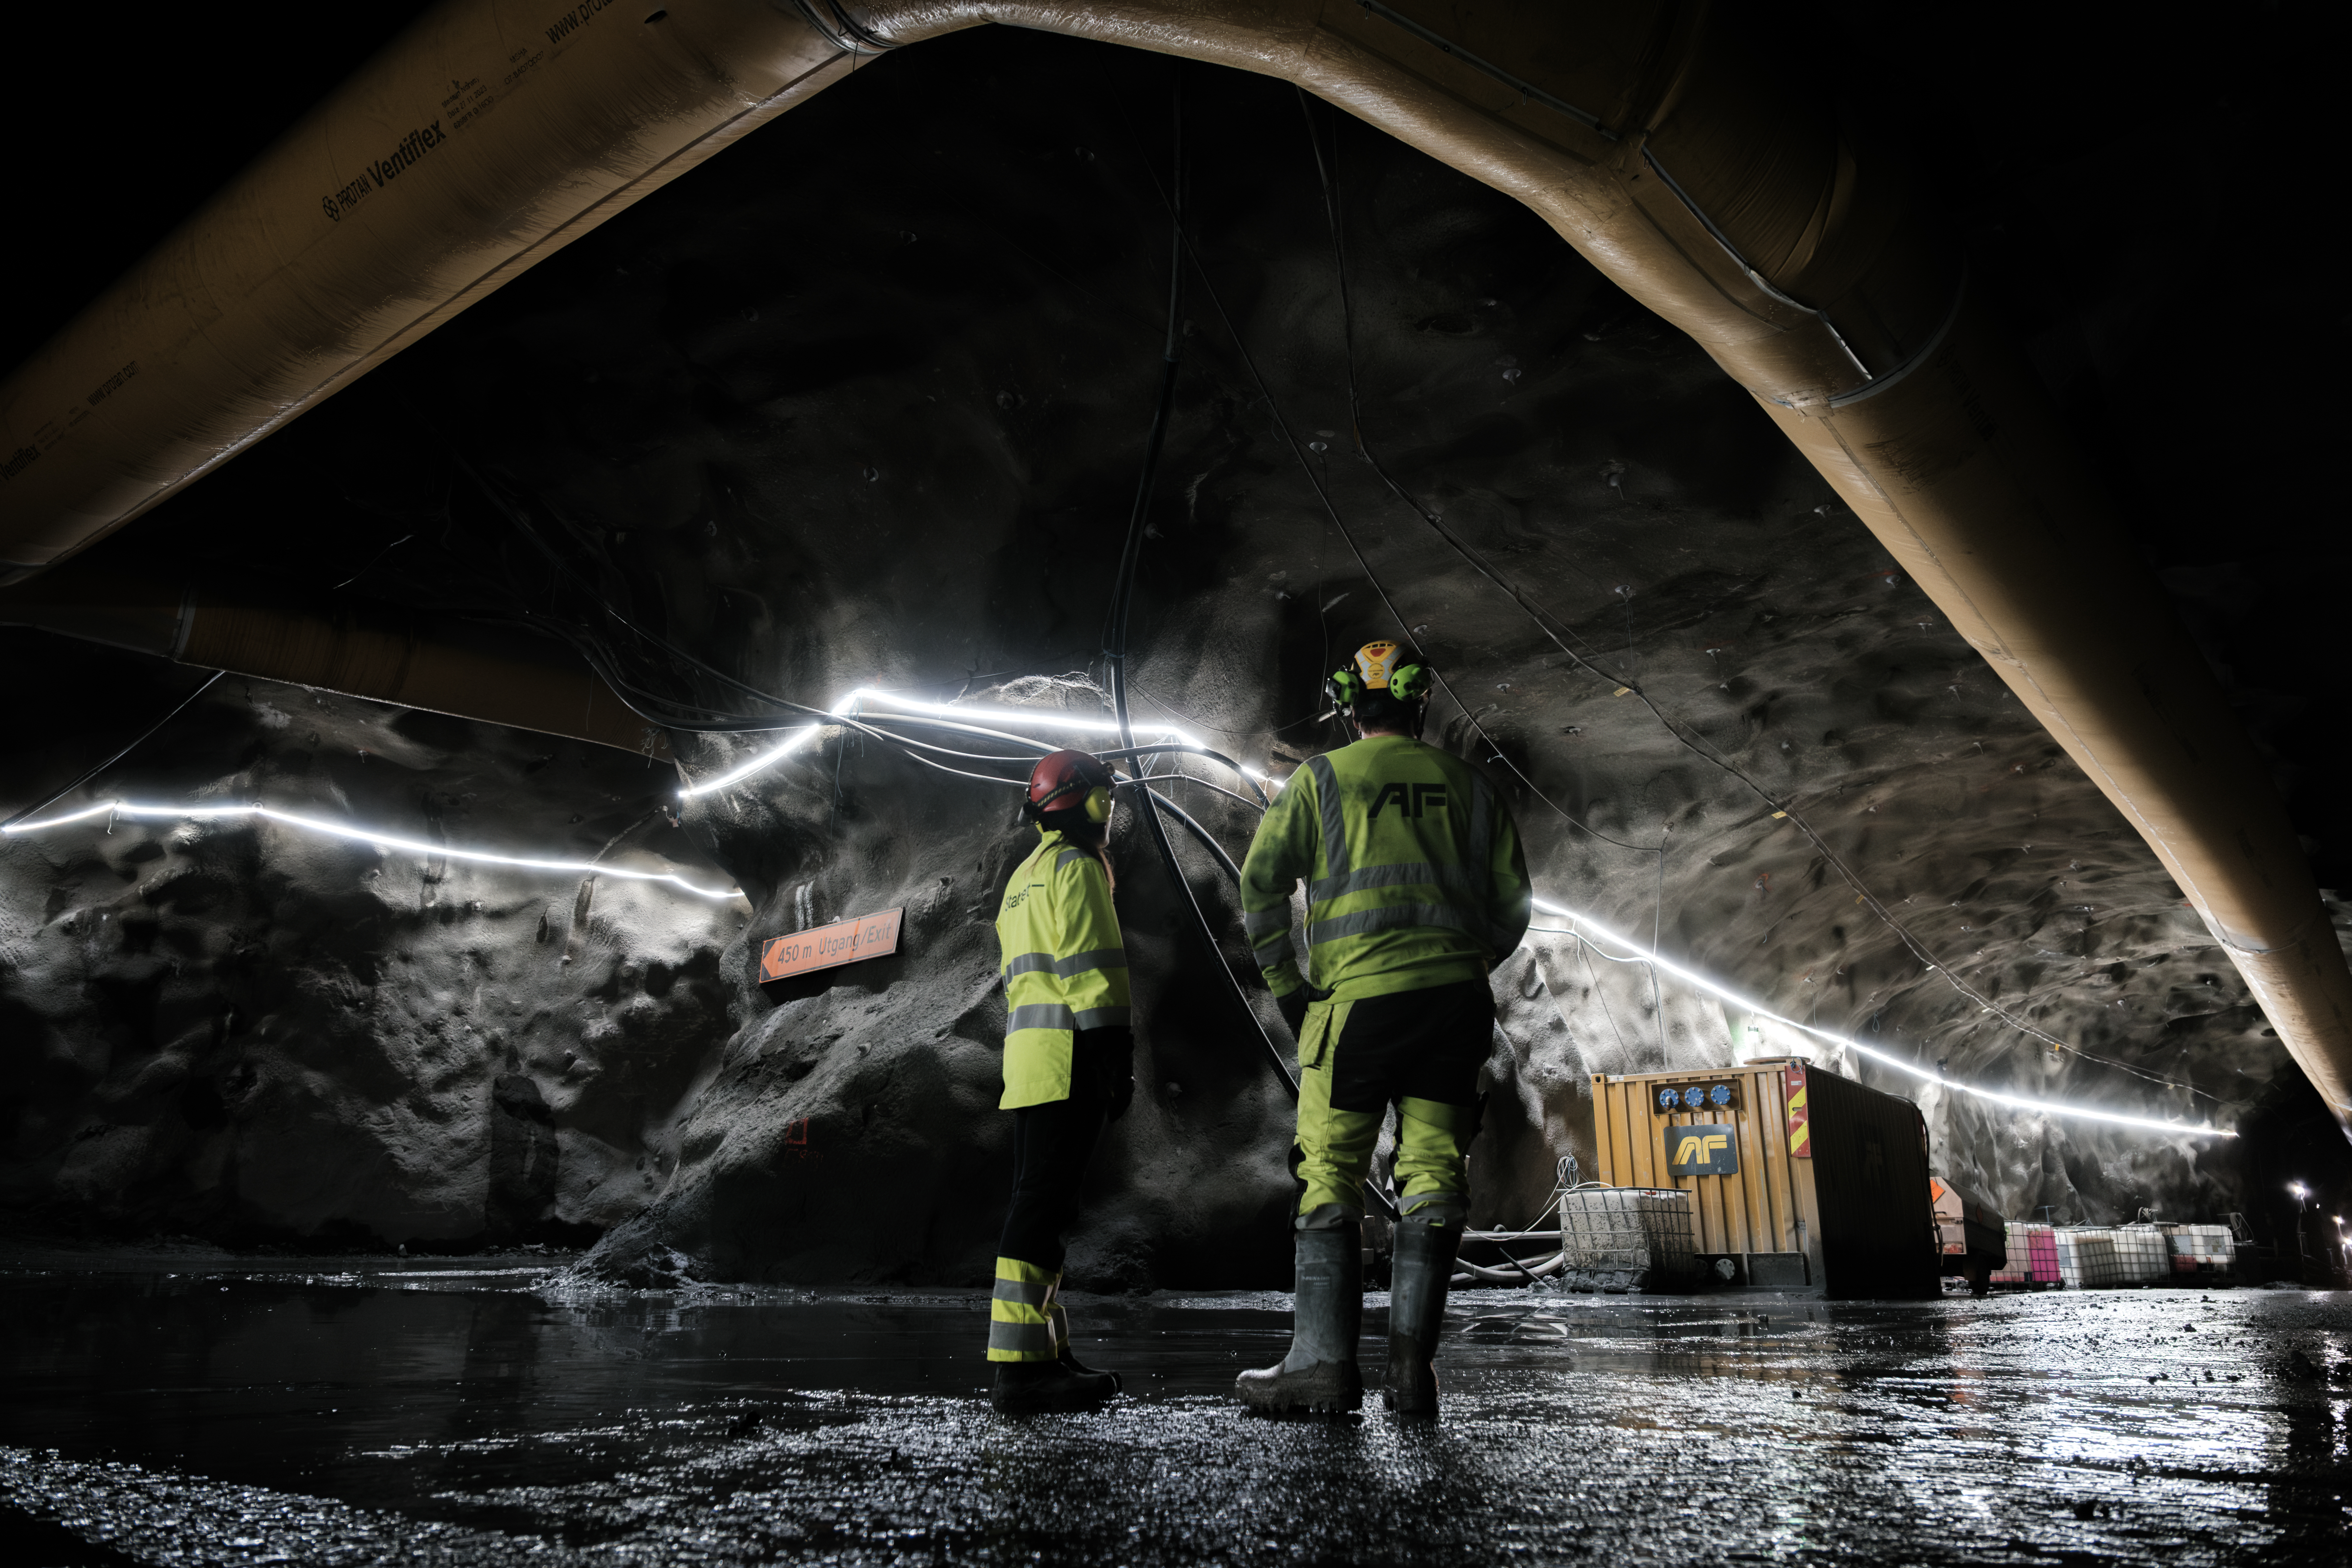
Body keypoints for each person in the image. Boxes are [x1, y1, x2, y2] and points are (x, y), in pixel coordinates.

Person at [1234, 640, 1530, 1416]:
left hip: (1357, 1009)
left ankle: (1323, 1366)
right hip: (1453, 1007)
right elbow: (1512, 910)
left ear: (1347, 706)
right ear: (1418, 703)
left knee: (1331, 1169)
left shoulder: (1318, 782)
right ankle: (1411, 1373)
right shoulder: (1473, 787)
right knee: (1434, 1171)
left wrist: (1291, 989)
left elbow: (1259, 889)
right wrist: (1461, 961)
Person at [986, 747, 1137, 1413]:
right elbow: (1090, 971)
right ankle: (1020, 1370)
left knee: (1042, 1206)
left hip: (1029, 1059)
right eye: (1109, 797)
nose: (1113, 810)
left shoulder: (1025, 875)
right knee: (1039, 1209)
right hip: (1070, 1056)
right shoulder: (1075, 869)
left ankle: (1046, 1349)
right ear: (1088, 802)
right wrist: (1115, 1055)